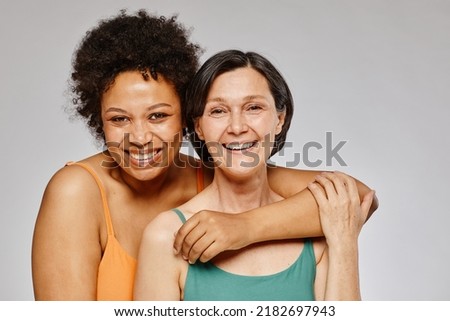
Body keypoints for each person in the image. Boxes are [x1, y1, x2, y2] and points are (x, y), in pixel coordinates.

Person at [32, 10, 378, 301]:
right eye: (119, 119)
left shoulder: (211, 173)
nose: (139, 137)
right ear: (99, 119)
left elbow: (356, 197)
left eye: (158, 116)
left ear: (187, 118)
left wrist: (241, 228)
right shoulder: (76, 191)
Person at [133, 50, 375, 300]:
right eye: (218, 111)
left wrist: (345, 244)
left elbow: (362, 195)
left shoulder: (316, 229)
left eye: (254, 107)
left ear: (279, 119)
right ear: (199, 127)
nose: (237, 127)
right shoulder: (166, 235)